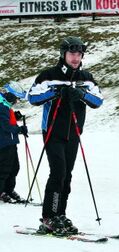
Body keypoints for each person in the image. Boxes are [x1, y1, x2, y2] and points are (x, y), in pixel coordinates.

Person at [27, 36, 104, 236]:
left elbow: (98, 101)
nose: (75, 58)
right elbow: (32, 97)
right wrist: (54, 92)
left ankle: (60, 214)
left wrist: (82, 95)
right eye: (72, 54)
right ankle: (48, 217)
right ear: (64, 54)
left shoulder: (86, 77)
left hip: (74, 133)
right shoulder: (49, 75)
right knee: (58, 172)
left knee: (67, 175)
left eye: (79, 54)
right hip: (53, 132)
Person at [0, 88, 28, 203]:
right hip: (4, 143)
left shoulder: (5, 105)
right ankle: (2, 191)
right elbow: (5, 126)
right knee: (4, 169)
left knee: (14, 167)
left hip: (10, 142)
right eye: (16, 99)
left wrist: (14, 117)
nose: (16, 102)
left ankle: (9, 190)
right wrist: (19, 129)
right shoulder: (2, 107)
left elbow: (7, 120)